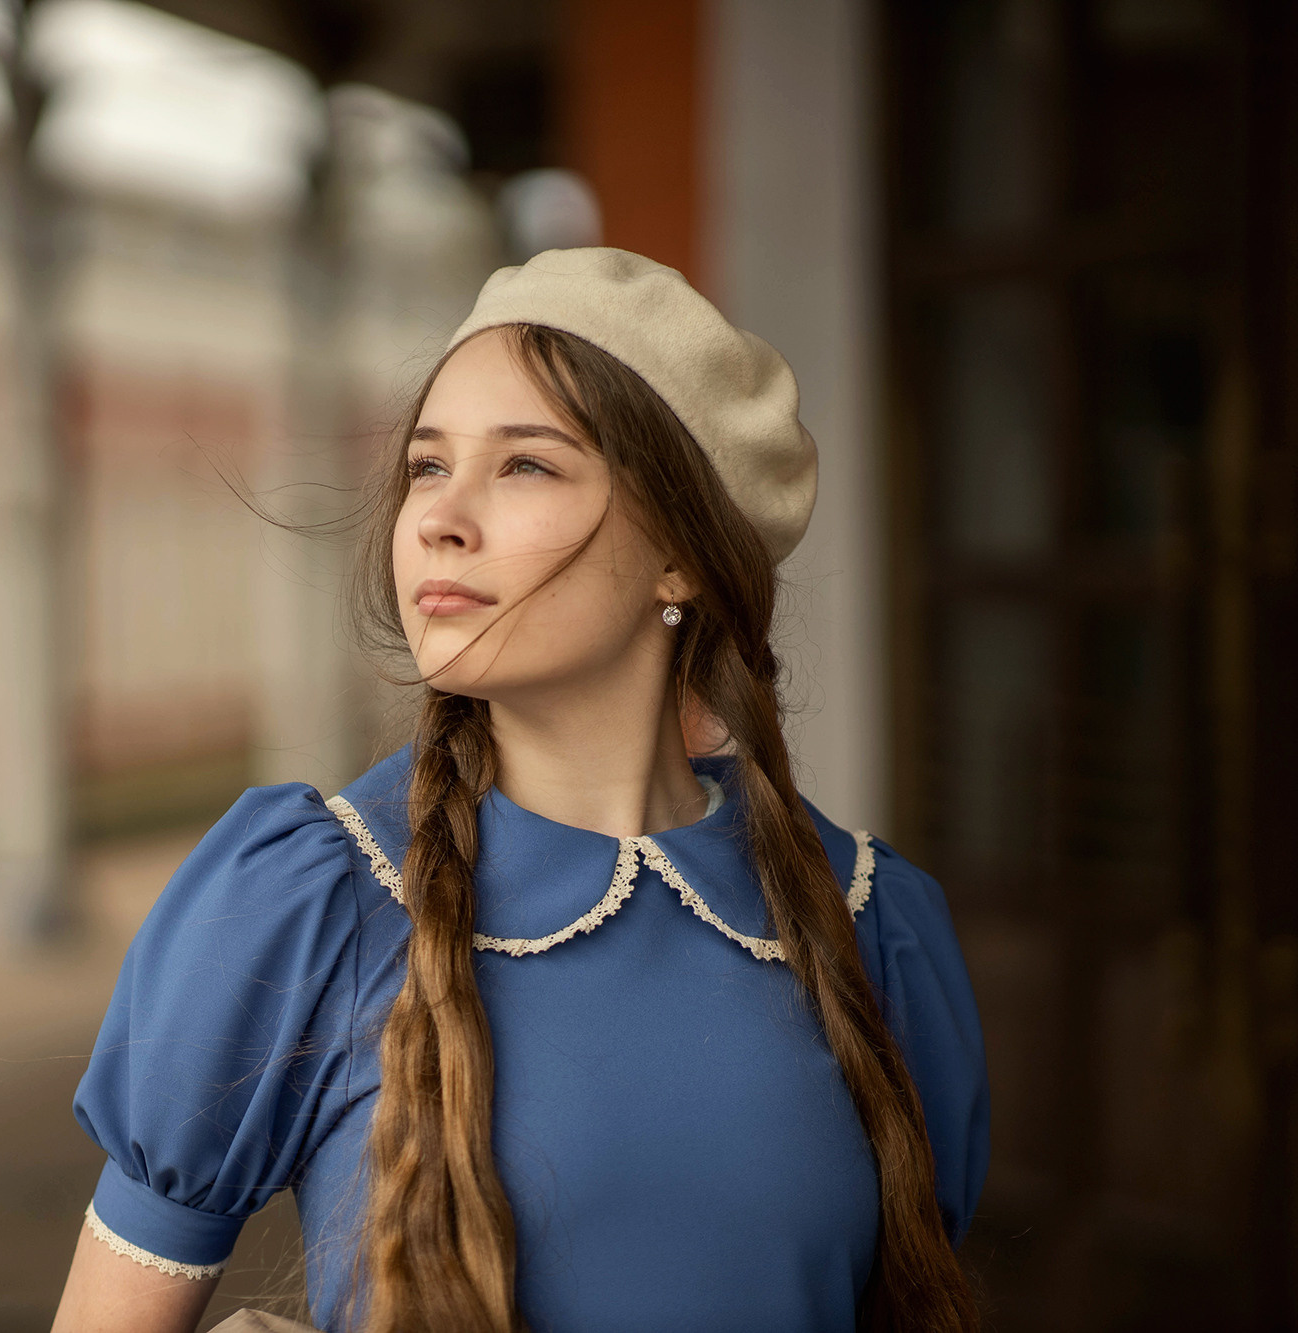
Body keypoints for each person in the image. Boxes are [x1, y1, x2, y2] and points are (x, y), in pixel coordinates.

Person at [49, 248, 989, 1333]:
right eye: (427, 466)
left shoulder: (872, 924)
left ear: (680, 554)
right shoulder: (309, 895)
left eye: (525, 466)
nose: (440, 517)